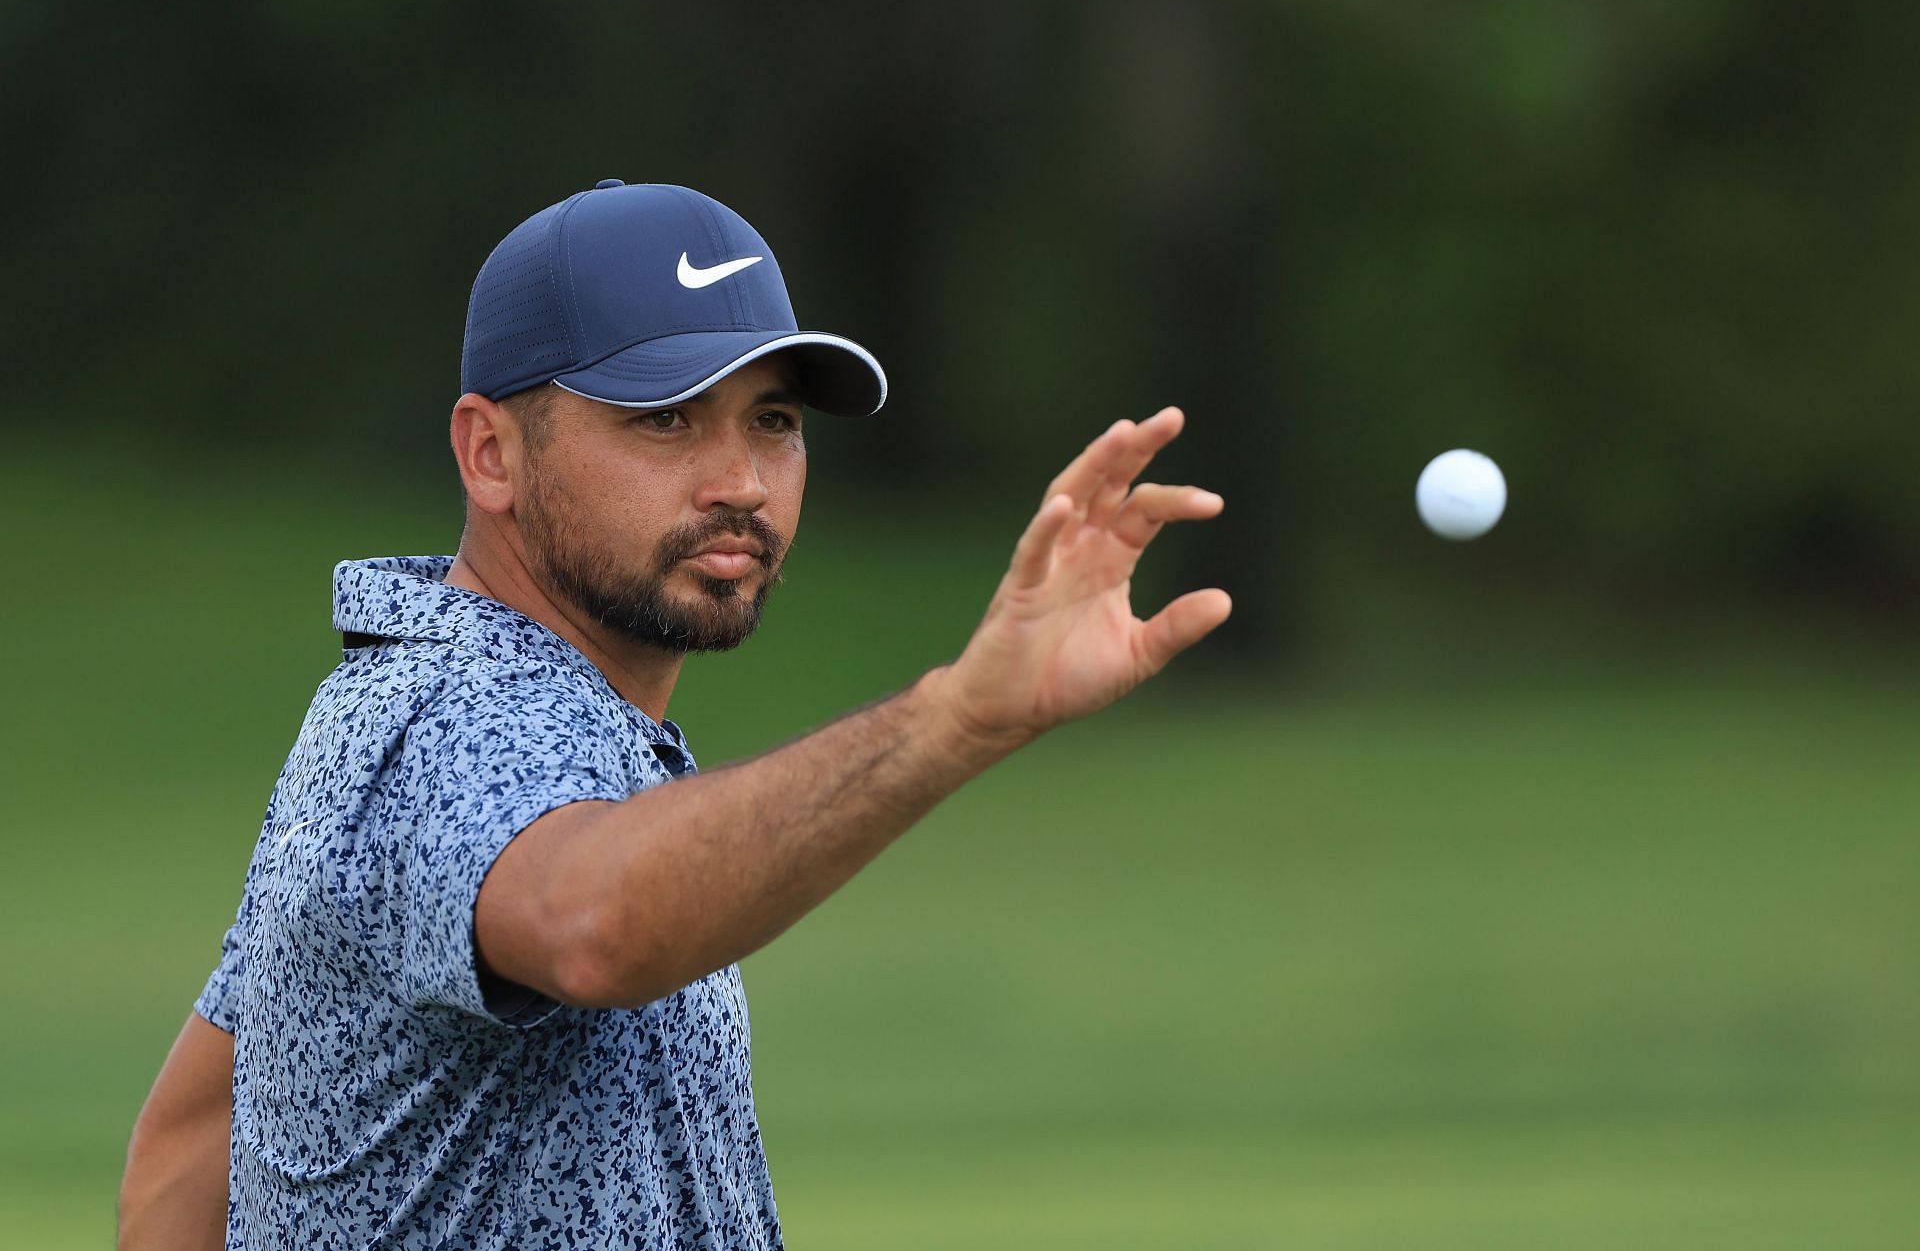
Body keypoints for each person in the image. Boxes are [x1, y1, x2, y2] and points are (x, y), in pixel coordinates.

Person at [119, 181, 1230, 1249]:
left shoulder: (462, 703)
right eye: (664, 416)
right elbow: (595, 924)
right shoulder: (451, 715)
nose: (740, 478)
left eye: (775, 419)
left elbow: (194, 1137)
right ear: (489, 453)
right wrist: (955, 719)